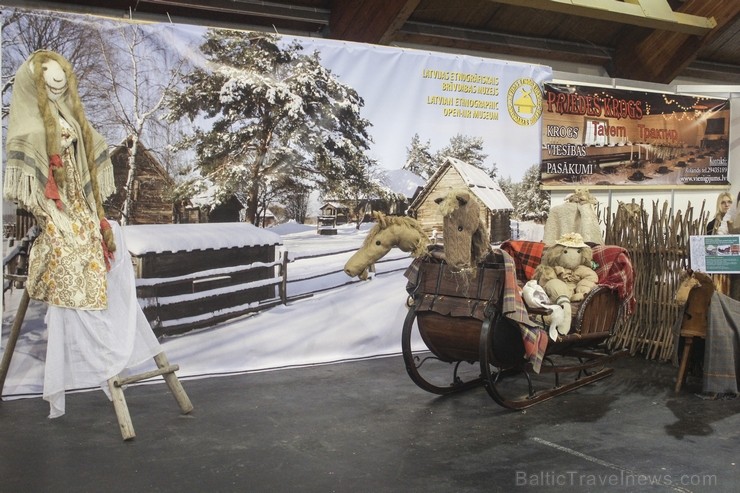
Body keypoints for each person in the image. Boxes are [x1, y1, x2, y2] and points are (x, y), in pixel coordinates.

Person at [3, 50, 161, 418]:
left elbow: (89, 143)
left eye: (62, 82)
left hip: (80, 205)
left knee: (106, 240)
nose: (58, 87)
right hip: (57, 211)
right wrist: (52, 216)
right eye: (49, 83)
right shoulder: (28, 129)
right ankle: (107, 353)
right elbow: (29, 182)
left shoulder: (70, 119)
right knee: (75, 248)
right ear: (35, 85)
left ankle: (114, 336)